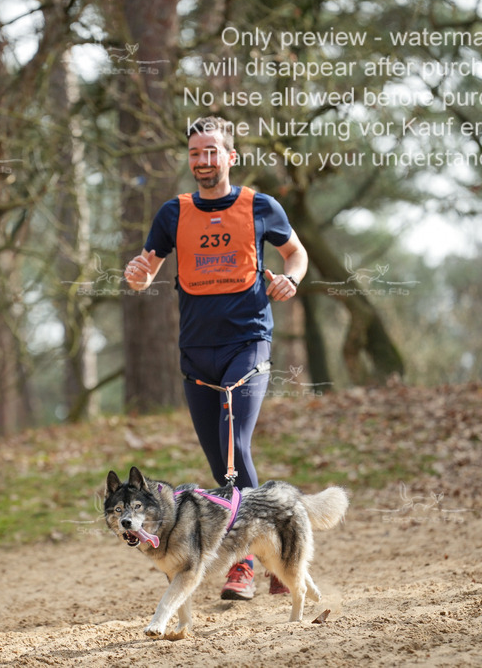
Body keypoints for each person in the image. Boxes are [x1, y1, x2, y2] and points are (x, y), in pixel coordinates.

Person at [124, 115, 309, 600]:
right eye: (195, 153)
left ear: (230, 156)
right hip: (195, 351)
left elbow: (296, 253)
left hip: (247, 341)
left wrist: (291, 279)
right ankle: (275, 542)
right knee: (219, 462)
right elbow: (147, 271)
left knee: (233, 448)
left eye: (212, 152)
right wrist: (137, 276)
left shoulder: (259, 206)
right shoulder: (173, 213)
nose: (203, 161)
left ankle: (242, 563)